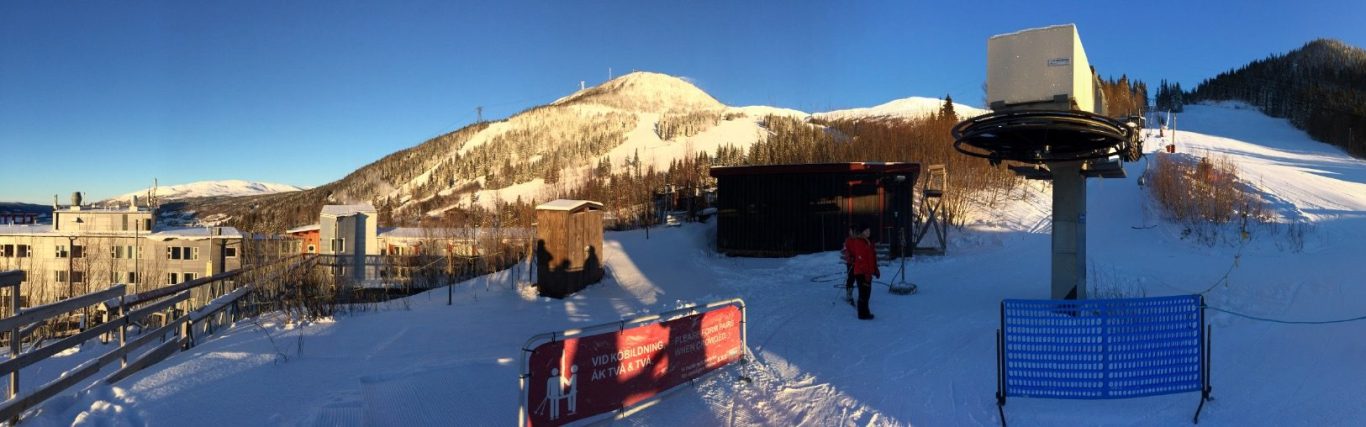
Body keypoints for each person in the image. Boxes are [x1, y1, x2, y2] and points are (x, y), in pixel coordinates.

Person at [844, 222, 880, 320]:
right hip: (860, 271)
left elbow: (872, 257)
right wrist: (865, 272)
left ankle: (865, 311)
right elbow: (860, 258)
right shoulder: (858, 242)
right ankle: (862, 313)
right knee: (863, 292)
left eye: (869, 230)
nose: (868, 232)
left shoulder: (869, 242)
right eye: (866, 230)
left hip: (867, 271)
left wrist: (875, 269)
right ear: (862, 232)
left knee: (867, 293)